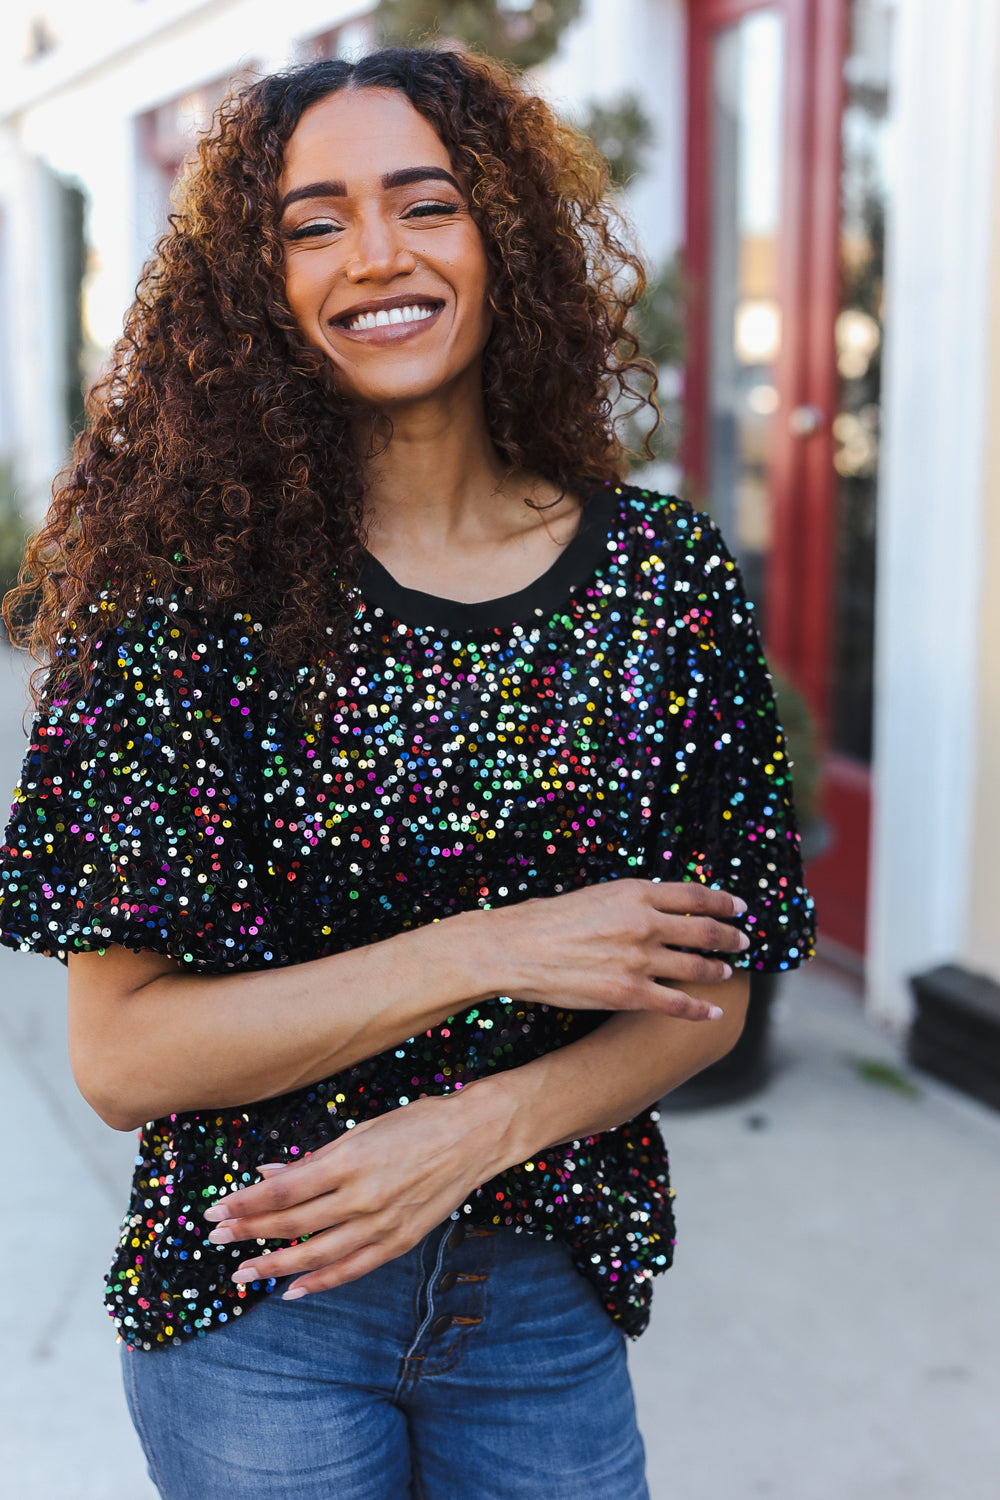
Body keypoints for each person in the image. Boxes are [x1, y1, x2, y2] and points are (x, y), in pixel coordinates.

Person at [0, 46, 814, 1500]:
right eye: (314, 222)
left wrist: (478, 1128)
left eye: (423, 203)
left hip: (542, 1309)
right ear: (261, 283)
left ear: (501, 236)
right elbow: (122, 1059)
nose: (376, 254)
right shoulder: (183, 605)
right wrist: (493, 948)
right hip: (262, 1303)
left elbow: (710, 990)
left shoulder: (659, 581)